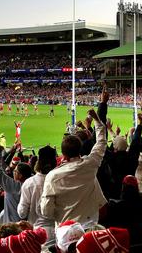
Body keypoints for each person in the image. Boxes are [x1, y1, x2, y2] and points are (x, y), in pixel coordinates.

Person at [41, 98, 108, 229]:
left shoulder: (52, 176)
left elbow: (46, 212)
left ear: (63, 153)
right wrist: (97, 120)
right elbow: (101, 142)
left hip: (65, 231)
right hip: (89, 227)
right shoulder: (90, 164)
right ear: (79, 149)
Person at [18, 145, 57, 247]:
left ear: (39, 162)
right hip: (59, 233)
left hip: (36, 234)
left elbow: (22, 213)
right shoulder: (61, 181)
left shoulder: (29, 183)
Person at [0, 143, 32, 224]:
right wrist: (12, 152)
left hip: (13, 227)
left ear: (20, 175)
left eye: (16, 171)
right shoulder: (32, 184)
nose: (13, 171)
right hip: (28, 225)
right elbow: (4, 167)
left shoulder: (15, 186)